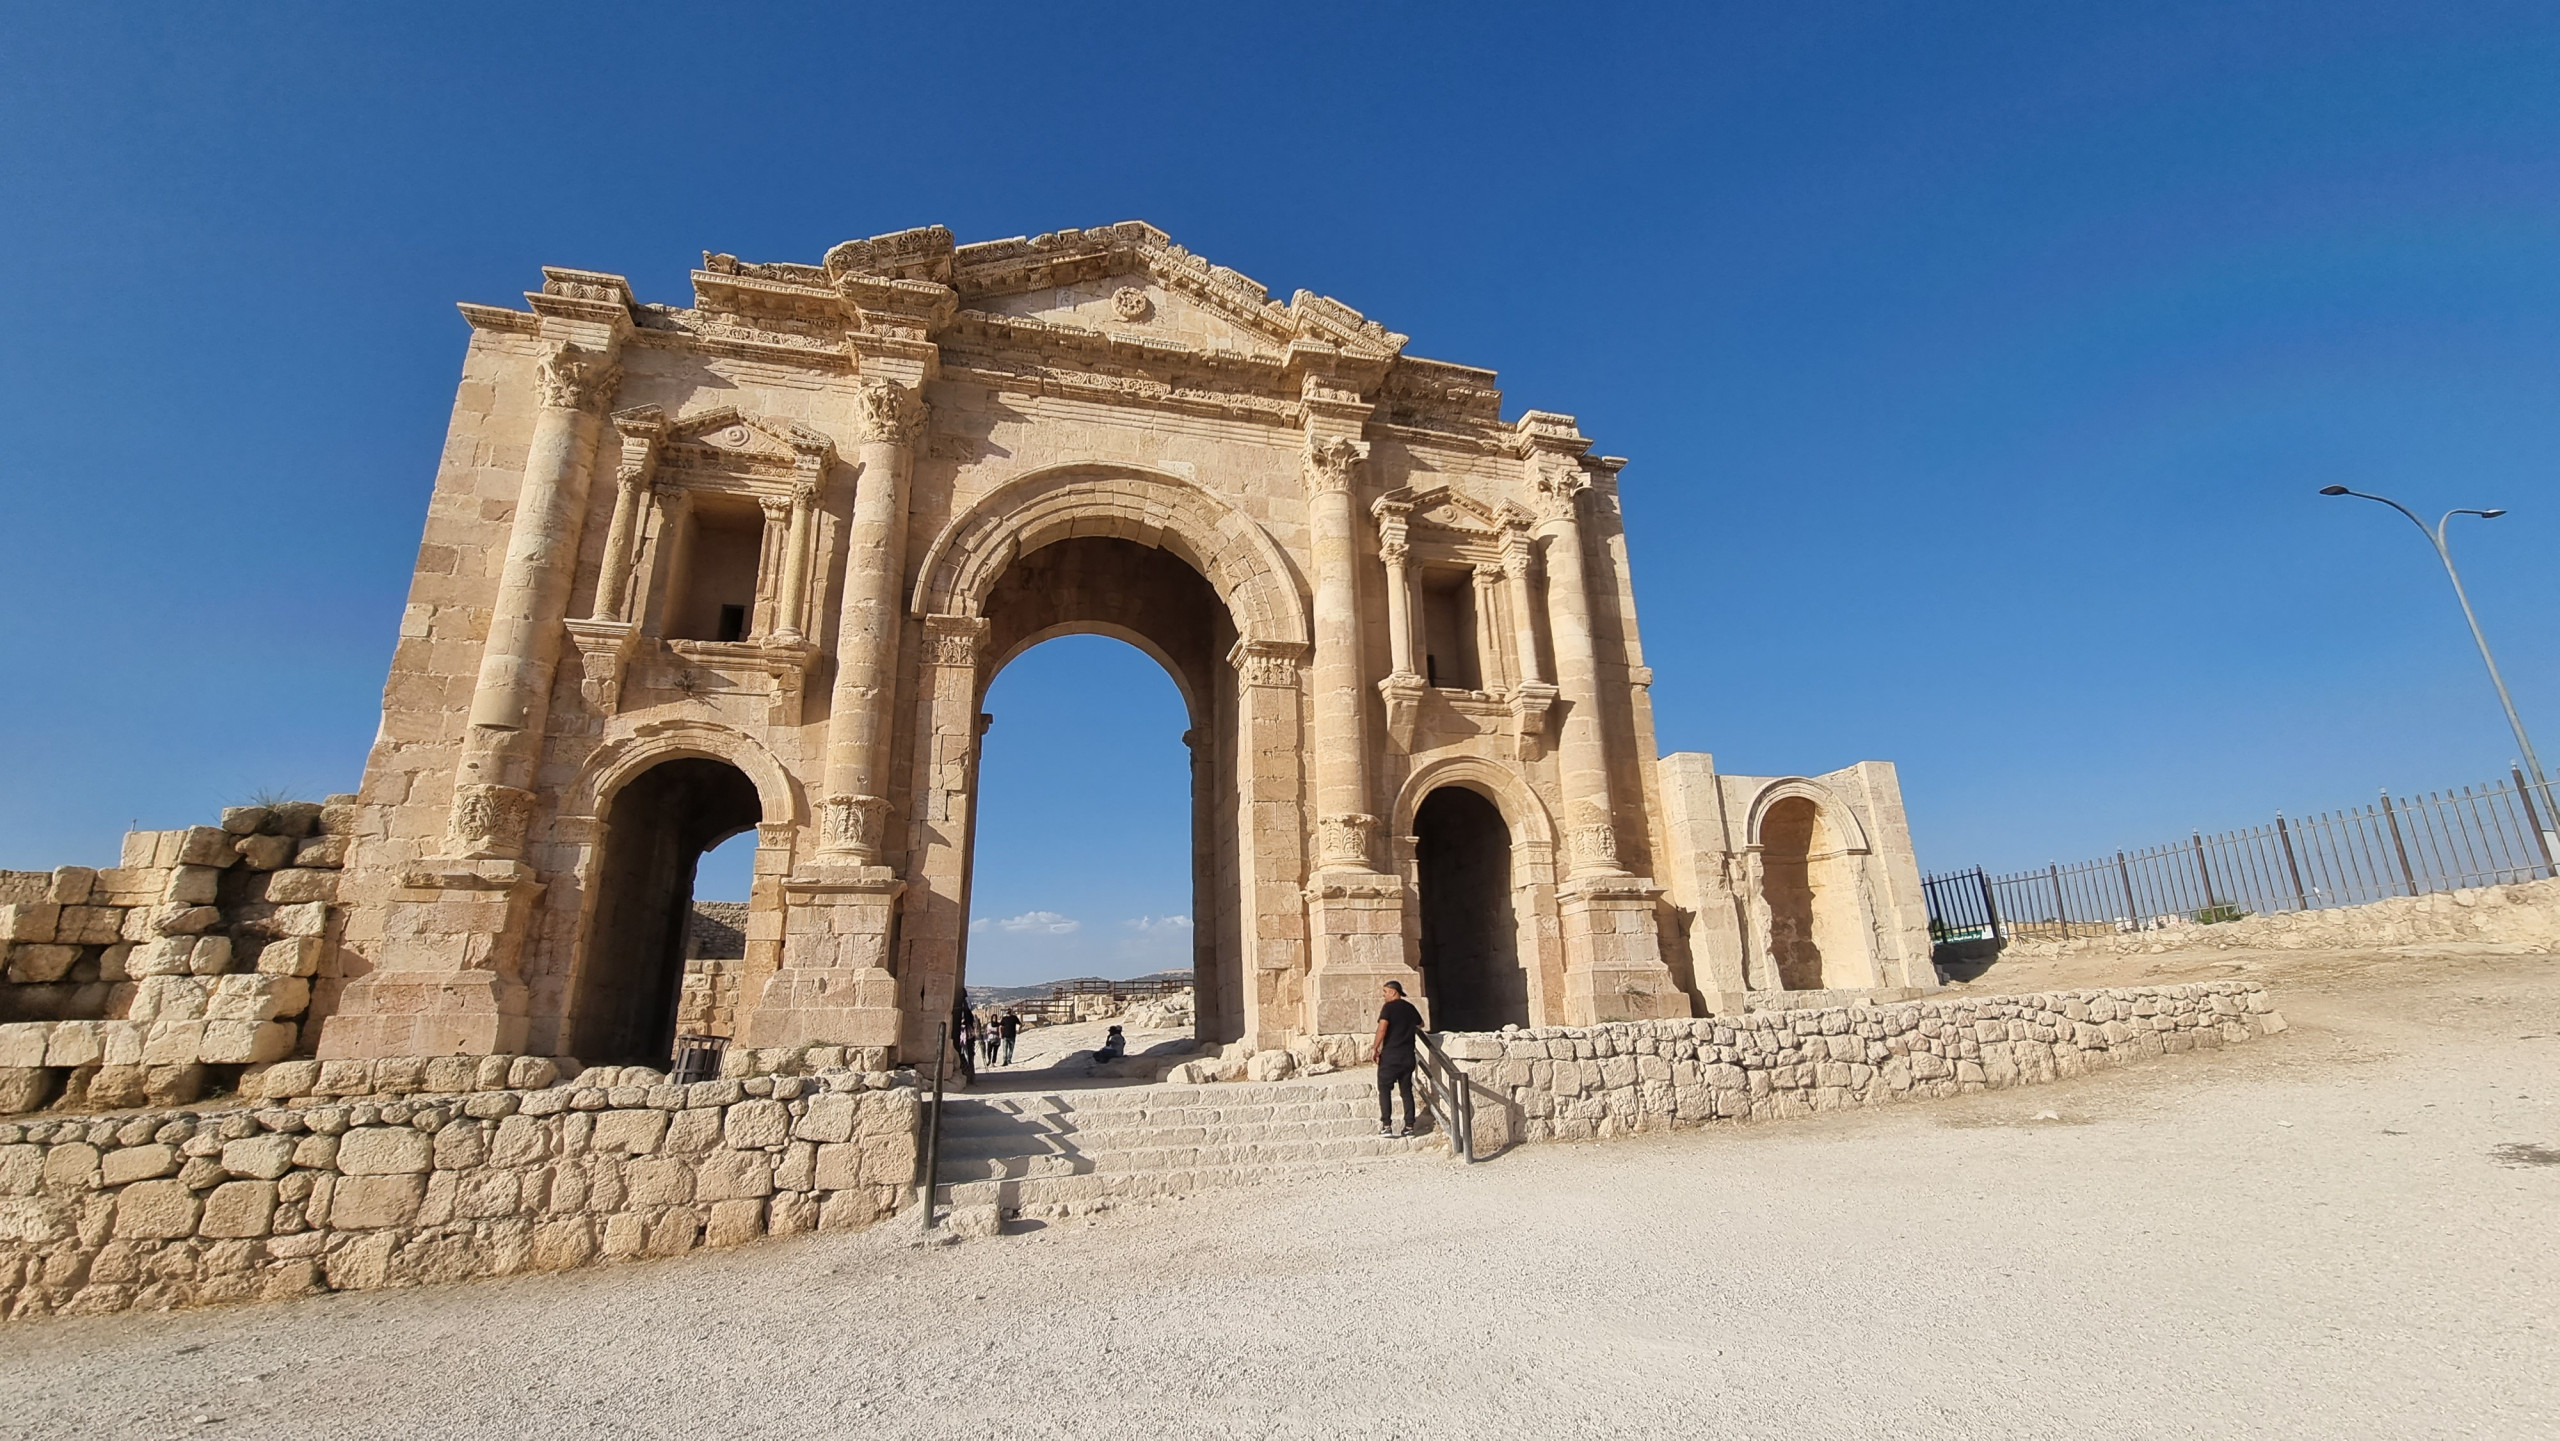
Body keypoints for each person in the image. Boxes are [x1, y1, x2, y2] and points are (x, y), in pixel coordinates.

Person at [1372, 980, 1424, 1137]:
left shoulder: (1388, 1008)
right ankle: (1409, 1126)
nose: (1383, 995)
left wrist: (1375, 1048)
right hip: (1407, 1056)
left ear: (1393, 992)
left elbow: (1382, 1029)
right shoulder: (1410, 1007)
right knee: (1406, 1091)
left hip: (1391, 1056)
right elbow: (1421, 1024)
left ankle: (1387, 1125)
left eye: (1385, 992)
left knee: (1384, 1089)